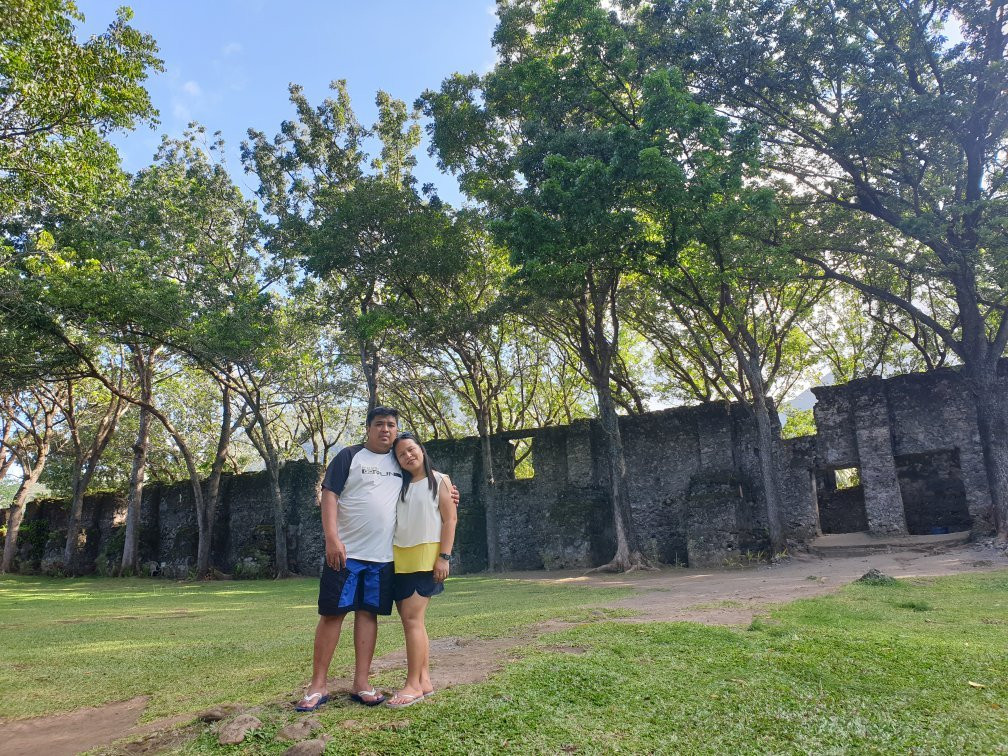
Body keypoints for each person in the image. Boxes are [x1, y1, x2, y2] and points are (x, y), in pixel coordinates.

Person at [296, 406, 403, 711]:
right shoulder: (350, 456)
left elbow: (426, 477)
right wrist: (332, 538)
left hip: (382, 557)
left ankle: (362, 683)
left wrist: (449, 491)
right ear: (368, 428)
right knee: (332, 614)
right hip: (346, 553)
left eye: (391, 425)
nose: (385, 429)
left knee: (368, 615)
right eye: (379, 424)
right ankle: (318, 685)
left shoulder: (400, 460)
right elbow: (330, 494)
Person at [384, 431, 458, 709]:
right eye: (401, 454)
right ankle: (424, 681)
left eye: (411, 449)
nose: (408, 456)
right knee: (411, 622)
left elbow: (450, 520)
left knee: (413, 619)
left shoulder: (439, 480)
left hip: (426, 559)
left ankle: (413, 684)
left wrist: (444, 558)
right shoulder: (398, 485)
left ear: (422, 450)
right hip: (399, 559)